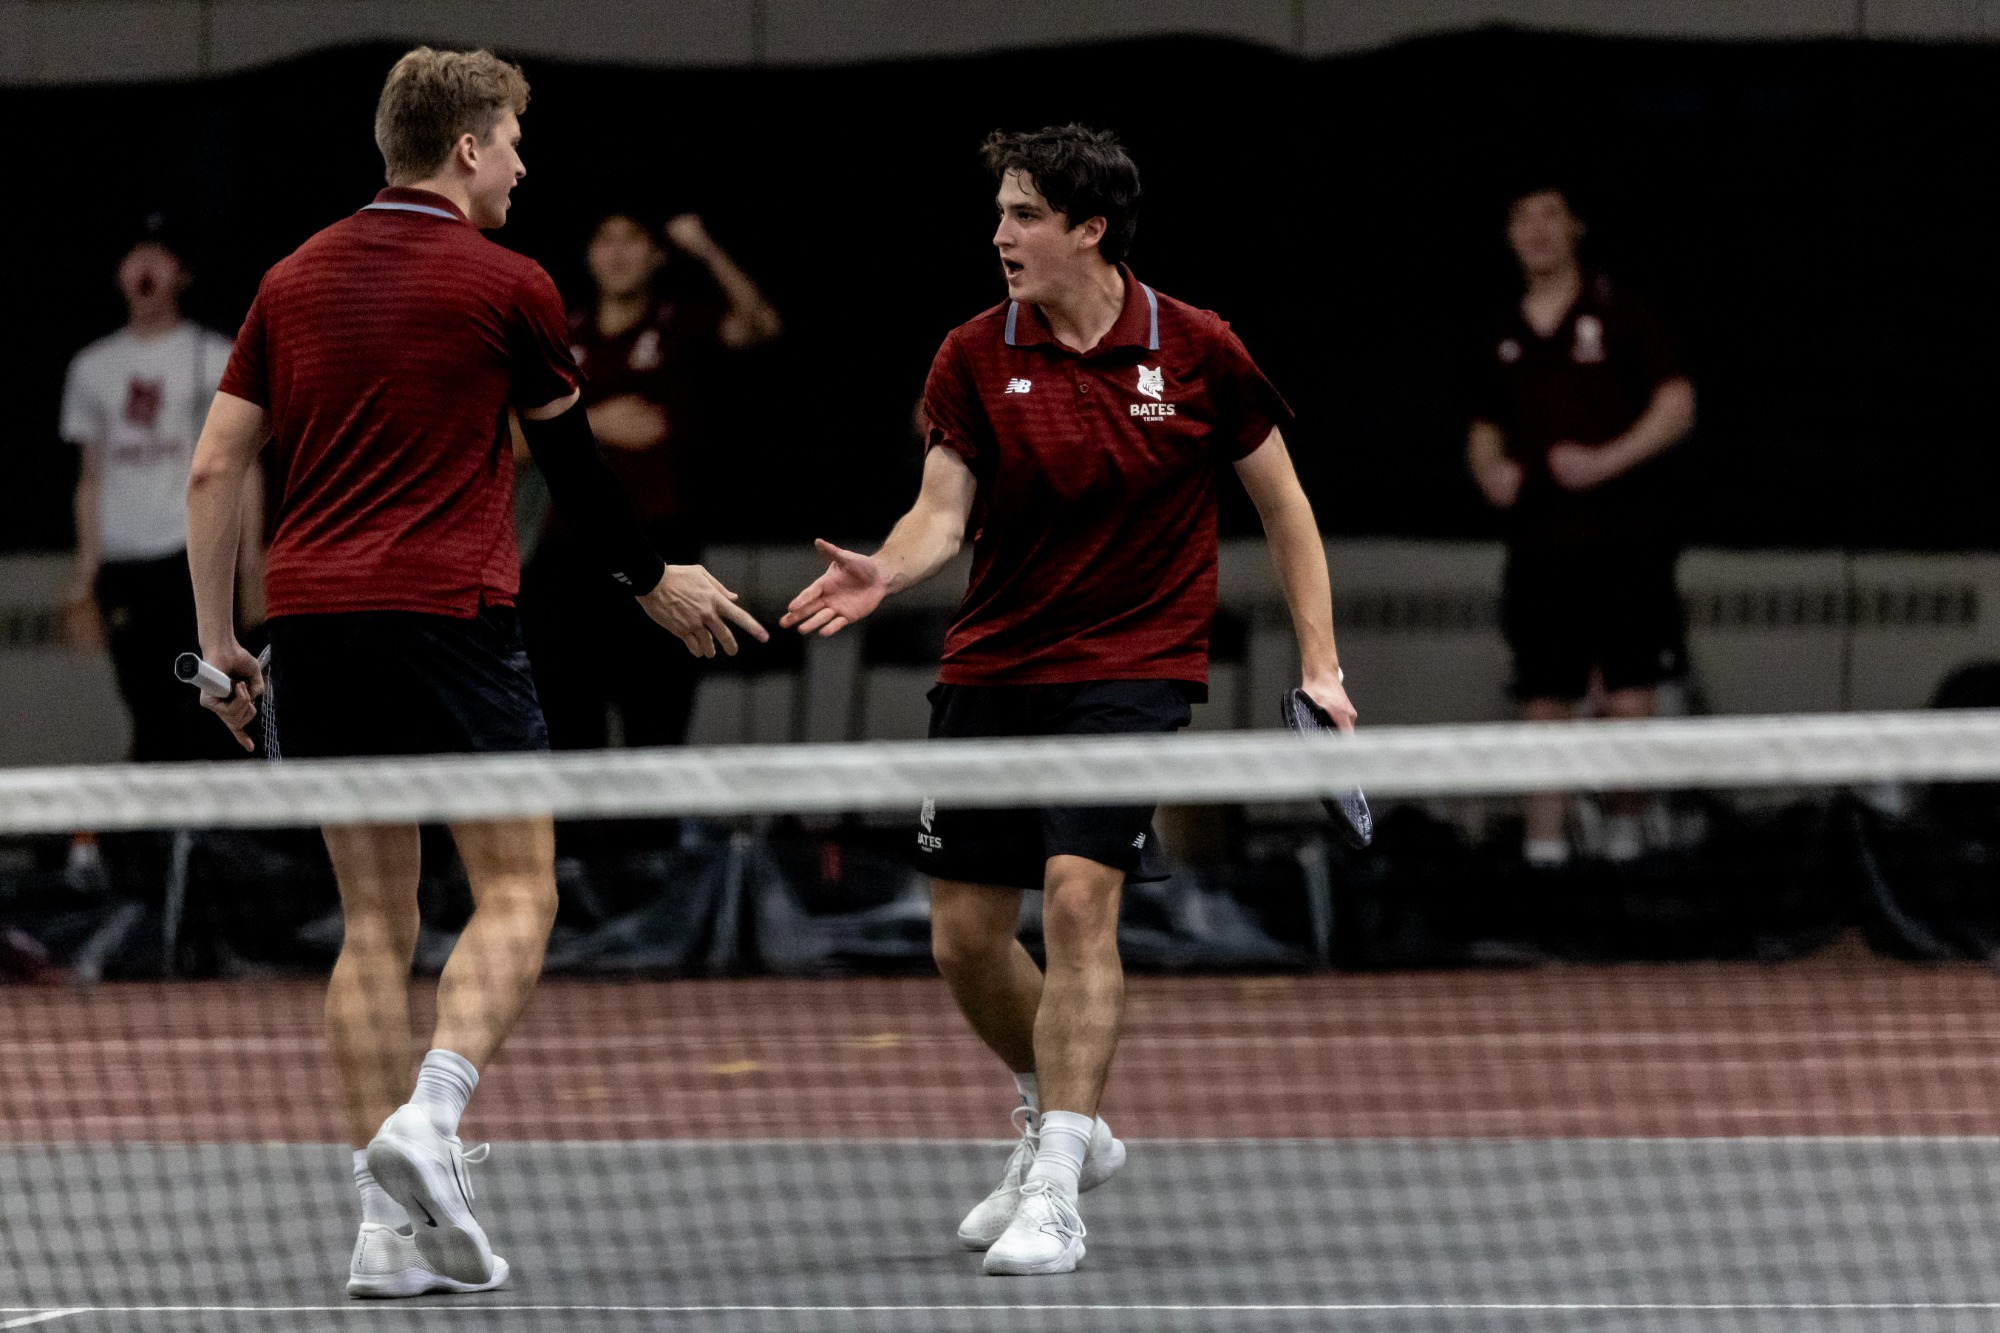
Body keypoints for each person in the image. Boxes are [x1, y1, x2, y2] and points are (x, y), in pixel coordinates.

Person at [184, 47, 764, 1299]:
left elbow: (213, 469)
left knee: (372, 924)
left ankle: (380, 1233)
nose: (520, 162)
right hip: (451, 618)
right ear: (463, 149)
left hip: (314, 626)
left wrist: (223, 648)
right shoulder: (510, 283)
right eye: (509, 141)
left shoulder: (289, 280)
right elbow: (571, 466)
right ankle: (433, 1117)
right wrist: (652, 580)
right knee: (519, 889)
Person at [782, 124, 1355, 1277]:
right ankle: (1068, 1119)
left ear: (1088, 229)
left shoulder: (1195, 350)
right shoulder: (970, 354)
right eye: (999, 214)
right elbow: (940, 512)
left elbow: (1284, 511)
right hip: (995, 664)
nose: (1000, 235)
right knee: (959, 941)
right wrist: (887, 569)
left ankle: (1053, 1186)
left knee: (1079, 900)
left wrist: (1320, 666)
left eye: (1025, 215)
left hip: (1131, 668)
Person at [1466, 185, 1696, 866]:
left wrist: (1606, 461)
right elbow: (1484, 431)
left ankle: (1625, 847)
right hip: (1541, 551)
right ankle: (1545, 856)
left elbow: (1678, 403)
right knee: (1544, 698)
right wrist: (1490, 471)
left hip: (1626, 544)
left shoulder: (1623, 312)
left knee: (1630, 693)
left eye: (1547, 216)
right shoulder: (1503, 331)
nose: (1535, 230)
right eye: (1520, 218)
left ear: (1574, 227)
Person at [520, 210, 781, 752]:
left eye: (631, 240)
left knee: (656, 713)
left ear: (656, 255)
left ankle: (654, 837)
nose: (616, 253)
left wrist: (705, 246)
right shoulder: (562, 332)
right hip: (572, 550)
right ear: (589, 256)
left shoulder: (677, 325)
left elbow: (759, 325)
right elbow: (509, 442)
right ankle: (576, 837)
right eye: (604, 240)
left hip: (663, 544)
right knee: (566, 718)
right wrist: (595, 421)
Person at [62, 221, 261, 762]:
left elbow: (242, 467)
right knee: (143, 702)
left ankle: (205, 841)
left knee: (203, 699)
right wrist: (86, 577)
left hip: (187, 553)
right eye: (134, 255)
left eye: (160, 255)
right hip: (125, 563)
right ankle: (155, 843)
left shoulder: (214, 353)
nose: (145, 267)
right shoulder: (92, 367)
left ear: (183, 273)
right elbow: (91, 478)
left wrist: (251, 570)